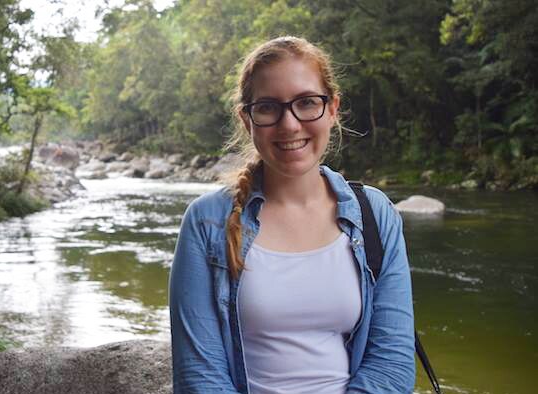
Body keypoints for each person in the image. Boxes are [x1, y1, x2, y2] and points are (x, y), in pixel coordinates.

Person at [168, 36, 416, 394]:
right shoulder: (207, 222)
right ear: (246, 119)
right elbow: (199, 375)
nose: (290, 125)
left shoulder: (375, 216)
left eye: (307, 103)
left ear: (332, 109)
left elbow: (392, 362)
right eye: (269, 107)